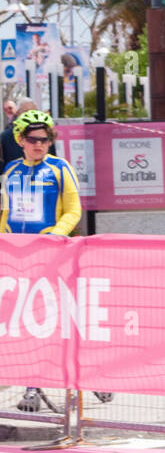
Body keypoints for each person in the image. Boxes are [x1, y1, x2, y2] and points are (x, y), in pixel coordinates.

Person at [1, 109, 82, 413]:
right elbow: (5, 213)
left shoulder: (60, 169)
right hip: (19, 257)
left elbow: (74, 210)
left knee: (62, 321)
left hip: (53, 255)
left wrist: (57, 235)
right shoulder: (10, 171)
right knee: (25, 323)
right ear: (21, 140)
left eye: (45, 140)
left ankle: (83, 380)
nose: (40, 145)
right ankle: (32, 387)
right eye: (33, 140)